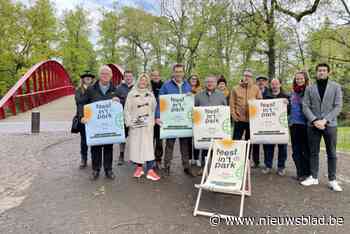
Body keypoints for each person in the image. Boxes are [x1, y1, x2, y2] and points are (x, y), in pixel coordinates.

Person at [301, 63, 343, 192]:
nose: (321, 72)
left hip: (330, 124)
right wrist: (314, 120)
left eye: (324, 70)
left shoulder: (336, 87)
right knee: (313, 152)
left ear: (328, 72)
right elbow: (305, 106)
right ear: (316, 72)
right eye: (319, 70)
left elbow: (338, 106)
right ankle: (313, 177)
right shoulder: (310, 88)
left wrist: (324, 120)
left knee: (332, 153)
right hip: (313, 125)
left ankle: (332, 180)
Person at [81, 65, 122, 180]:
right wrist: (82, 116)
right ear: (99, 75)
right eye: (103, 73)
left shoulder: (115, 89)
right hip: (95, 125)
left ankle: (108, 170)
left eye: (107, 74)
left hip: (109, 126)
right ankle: (95, 170)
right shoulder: (91, 89)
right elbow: (82, 104)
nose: (105, 76)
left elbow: (123, 105)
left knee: (109, 147)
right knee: (96, 148)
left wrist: (119, 101)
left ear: (111, 76)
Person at [155, 64, 194, 176]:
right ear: (173, 73)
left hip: (184, 121)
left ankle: (186, 167)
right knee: (169, 144)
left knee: (185, 145)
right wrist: (157, 116)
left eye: (180, 71)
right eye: (176, 71)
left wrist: (191, 95)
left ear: (183, 73)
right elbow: (160, 102)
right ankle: (167, 167)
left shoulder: (188, 85)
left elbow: (192, 103)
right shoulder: (166, 86)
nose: (178, 74)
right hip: (170, 121)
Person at [124, 73, 161, 181]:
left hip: (148, 126)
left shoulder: (150, 94)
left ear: (147, 82)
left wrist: (153, 121)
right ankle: (139, 168)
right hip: (136, 125)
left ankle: (150, 170)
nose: (143, 82)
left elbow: (154, 109)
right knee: (137, 147)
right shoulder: (131, 94)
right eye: (141, 80)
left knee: (148, 147)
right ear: (138, 81)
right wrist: (129, 122)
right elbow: (127, 109)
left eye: (145, 81)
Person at [194, 75, 228, 175]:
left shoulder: (221, 95)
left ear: (215, 83)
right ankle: (204, 168)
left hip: (217, 128)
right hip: (203, 128)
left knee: (217, 148)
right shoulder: (198, 96)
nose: (210, 83)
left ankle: (215, 168)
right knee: (204, 148)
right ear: (205, 83)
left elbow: (225, 110)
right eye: (208, 82)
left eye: (212, 82)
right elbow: (194, 110)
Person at [262, 79, 290, 176]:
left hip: (282, 126)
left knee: (282, 147)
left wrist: (288, 104)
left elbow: (290, 112)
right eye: (272, 84)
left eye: (276, 84)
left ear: (280, 84)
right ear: (270, 85)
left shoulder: (286, 96)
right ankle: (268, 165)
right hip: (269, 126)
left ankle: (281, 167)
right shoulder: (265, 97)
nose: (274, 86)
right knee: (268, 146)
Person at [289, 71, 311, 181]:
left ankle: (307, 173)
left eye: (301, 78)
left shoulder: (310, 91)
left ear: (305, 79)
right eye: (297, 79)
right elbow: (291, 107)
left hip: (305, 125)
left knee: (305, 150)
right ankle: (299, 173)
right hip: (293, 125)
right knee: (295, 150)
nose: (299, 80)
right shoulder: (293, 93)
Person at [230, 69, 262, 140]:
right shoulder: (235, 88)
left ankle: (248, 151)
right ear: (242, 76)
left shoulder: (256, 88)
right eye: (245, 75)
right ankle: (237, 151)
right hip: (239, 119)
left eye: (249, 76)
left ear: (252, 78)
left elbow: (260, 102)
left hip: (251, 119)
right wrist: (234, 115)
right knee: (236, 140)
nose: (247, 77)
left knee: (249, 140)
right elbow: (232, 103)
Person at [75, 71, 95, 169]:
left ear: (92, 79)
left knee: (94, 139)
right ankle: (84, 159)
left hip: (93, 118)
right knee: (84, 140)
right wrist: (81, 117)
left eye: (90, 77)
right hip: (83, 118)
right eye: (86, 77)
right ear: (83, 79)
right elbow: (79, 102)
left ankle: (94, 159)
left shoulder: (95, 89)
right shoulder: (79, 90)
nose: (88, 78)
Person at [116, 70, 135, 165]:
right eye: (126, 76)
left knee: (134, 137)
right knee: (122, 137)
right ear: (124, 77)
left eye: (130, 76)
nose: (128, 78)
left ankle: (134, 156)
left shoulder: (137, 88)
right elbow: (114, 100)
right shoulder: (119, 88)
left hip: (134, 117)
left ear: (133, 77)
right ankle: (121, 155)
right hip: (122, 116)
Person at [251, 75, 270, 168]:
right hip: (255, 121)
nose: (261, 82)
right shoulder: (252, 91)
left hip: (267, 121)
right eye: (259, 80)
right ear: (256, 82)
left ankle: (267, 163)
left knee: (266, 143)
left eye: (263, 80)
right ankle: (256, 161)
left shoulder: (269, 92)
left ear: (266, 82)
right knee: (255, 142)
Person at [150, 70, 164, 170]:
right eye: (153, 75)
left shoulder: (164, 86)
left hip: (160, 117)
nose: (155, 77)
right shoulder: (147, 85)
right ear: (151, 76)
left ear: (160, 76)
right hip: (149, 118)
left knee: (159, 141)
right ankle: (149, 159)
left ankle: (158, 159)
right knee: (150, 140)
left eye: (157, 75)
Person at [188, 74, 202, 167]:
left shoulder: (200, 90)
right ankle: (189, 158)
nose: (194, 80)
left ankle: (197, 158)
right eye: (192, 79)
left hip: (197, 116)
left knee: (197, 138)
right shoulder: (185, 88)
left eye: (195, 79)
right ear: (189, 80)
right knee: (188, 139)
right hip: (187, 117)